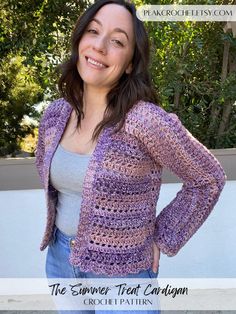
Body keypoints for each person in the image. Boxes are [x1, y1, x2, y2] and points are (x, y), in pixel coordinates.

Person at [35, 0, 226, 313]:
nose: (99, 46)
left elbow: (207, 179)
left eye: (117, 41)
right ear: (80, 39)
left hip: (123, 274)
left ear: (128, 63)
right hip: (60, 264)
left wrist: (163, 237)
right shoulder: (55, 116)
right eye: (93, 31)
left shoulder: (144, 121)